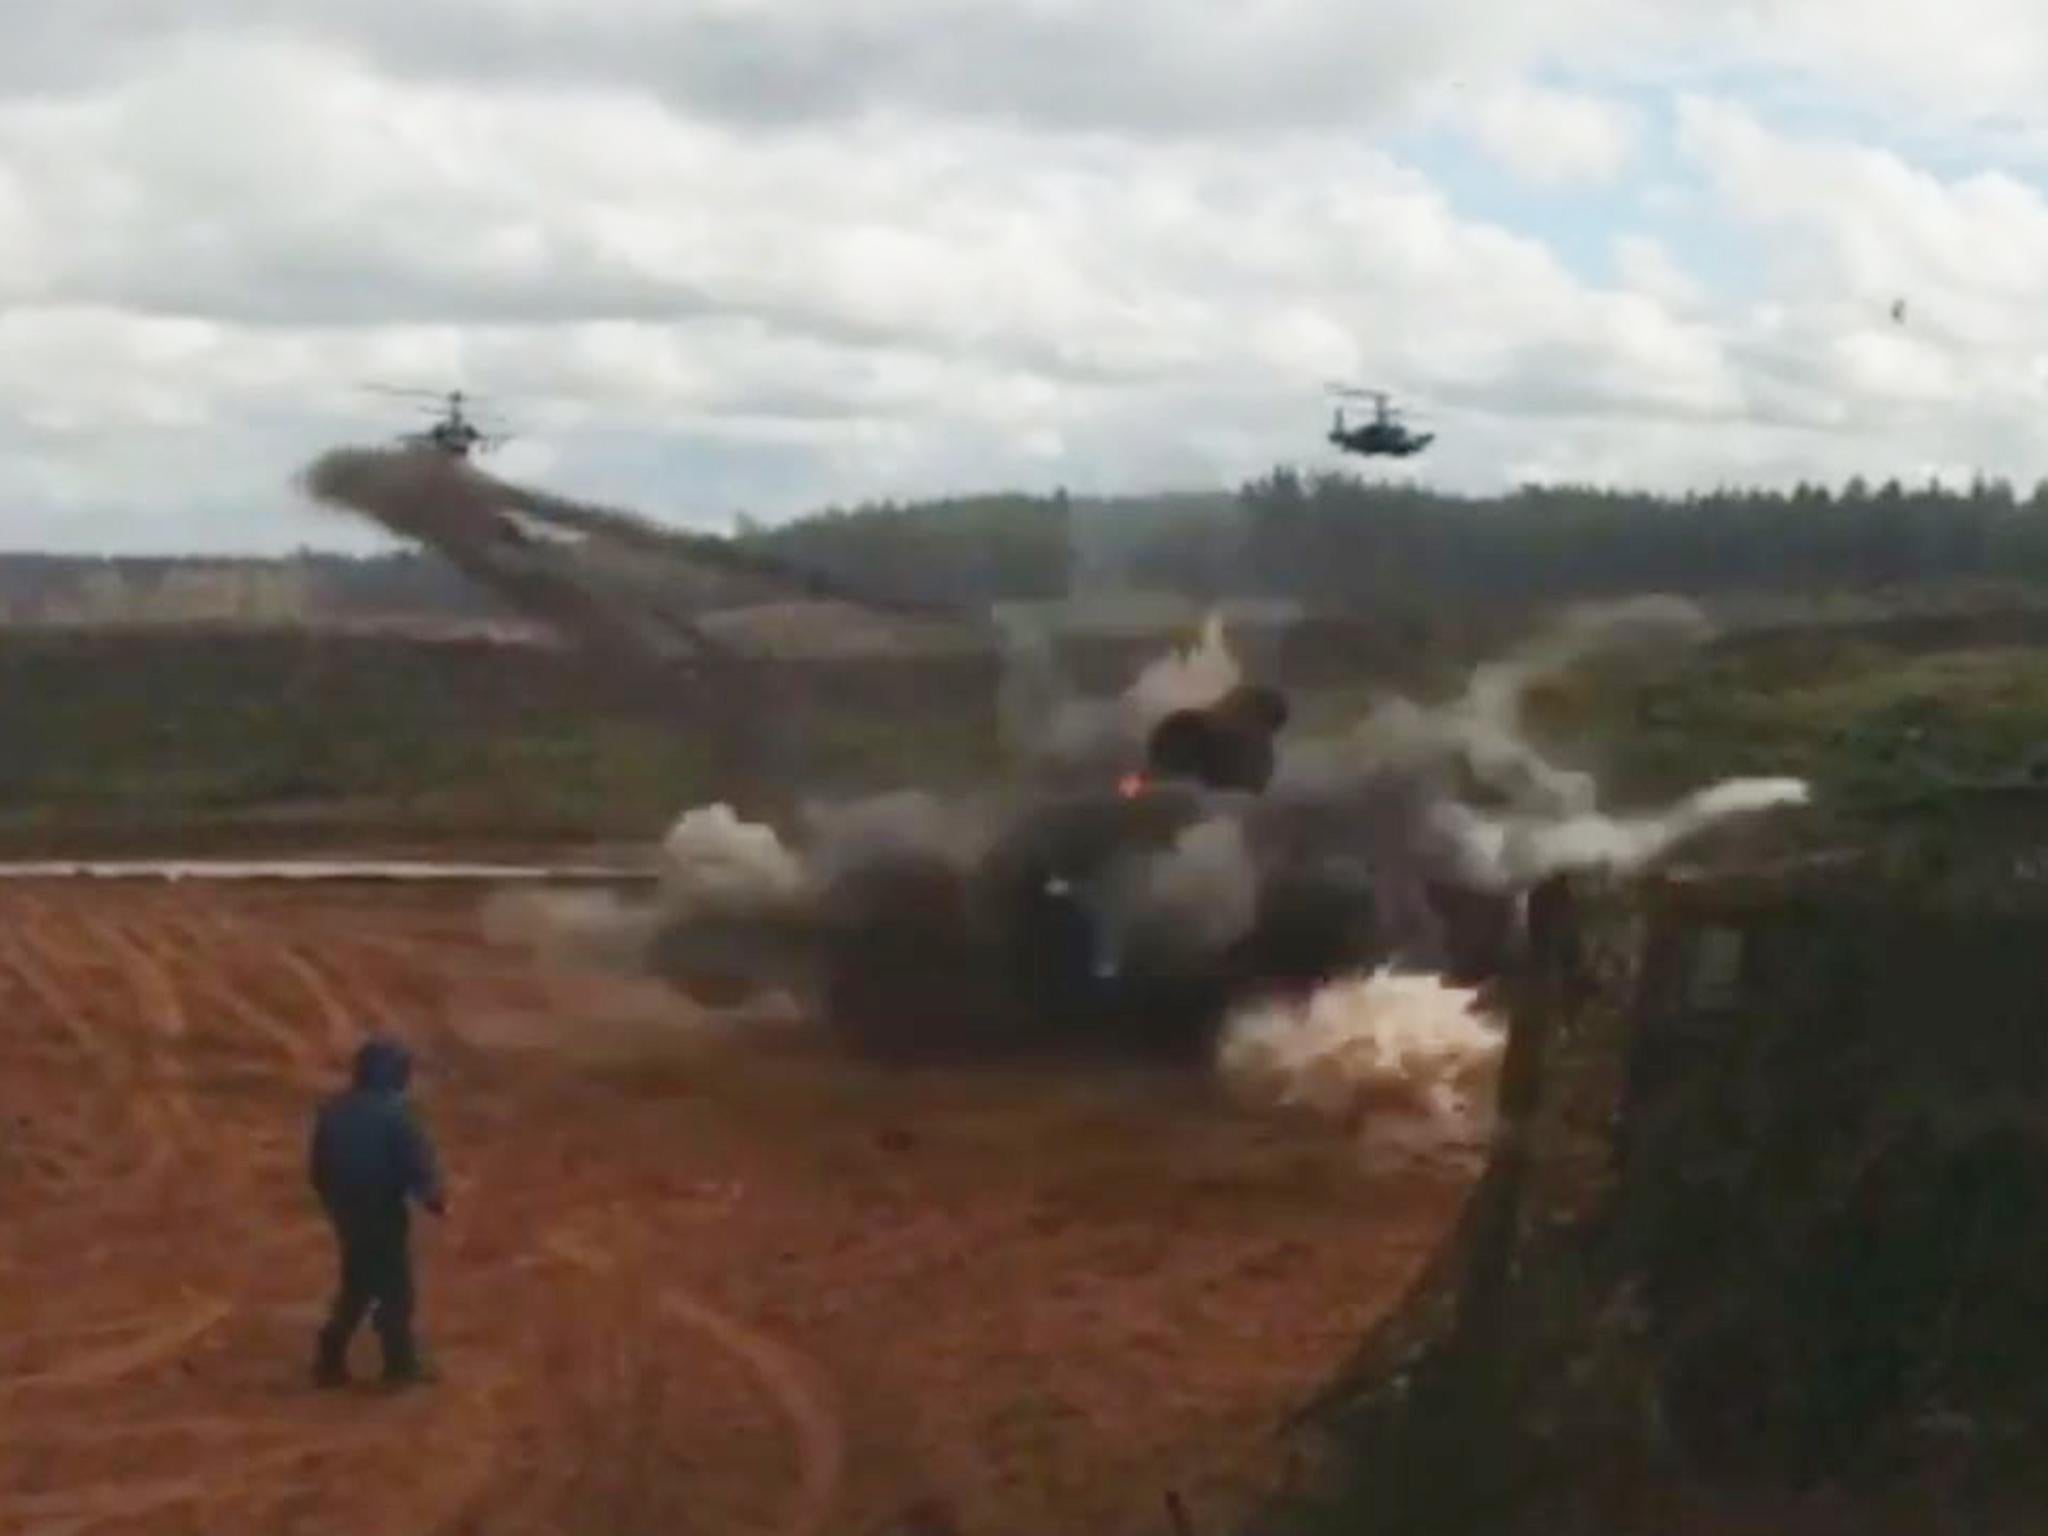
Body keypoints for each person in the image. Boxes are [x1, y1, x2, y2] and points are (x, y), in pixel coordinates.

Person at [308, 1037, 446, 1388]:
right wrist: (432, 1197)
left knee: (357, 1284)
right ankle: (398, 1365)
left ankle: (329, 1359)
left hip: (347, 1211)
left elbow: (319, 1168)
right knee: (394, 1289)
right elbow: (415, 1163)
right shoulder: (396, 1116)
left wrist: (333, 1201)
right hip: (383, 1209)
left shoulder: (334, 1111)